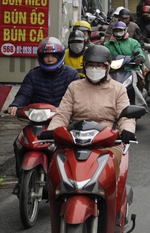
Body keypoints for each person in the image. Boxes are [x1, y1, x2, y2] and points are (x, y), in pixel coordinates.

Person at [46, 45, 136, 178]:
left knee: (109, 172)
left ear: (107, 67)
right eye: (91, 65)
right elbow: (63, 113)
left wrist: (127, 130)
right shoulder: (74, 87)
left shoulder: (118, 89)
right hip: (75, 139)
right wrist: (52, 129)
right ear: (84, 66)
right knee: (58, 167)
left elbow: (125, 115)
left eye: (99, 66)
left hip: (106, 141)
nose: (95, 69)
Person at [7, 37, 80, 116]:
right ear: (41, 58)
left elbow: (78, 97)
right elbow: (24, 94)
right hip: (38, 118)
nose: (50, 59)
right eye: (46, 56)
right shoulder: (33, 75)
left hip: (64, 118)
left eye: (53, 56)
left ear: (59, 56)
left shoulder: (71, 74)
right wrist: (15, 105)